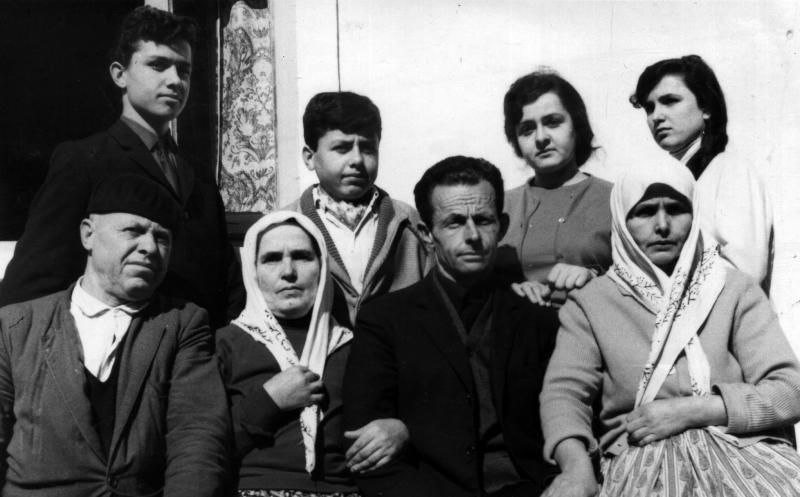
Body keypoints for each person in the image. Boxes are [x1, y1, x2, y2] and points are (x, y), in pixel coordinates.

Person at [539, 161, 800, 497]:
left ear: (695, 215)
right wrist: (576, 469)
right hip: (639, 465)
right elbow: (564, 395)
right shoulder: (591, 303)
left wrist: (693, 410)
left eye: (675, 210)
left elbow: (790, 391)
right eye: (645, 212)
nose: (662, 225)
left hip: (743, 456)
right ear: (622, 220)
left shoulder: (734, 290)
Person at [0, 5, 241, 328]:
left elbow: (226, 286)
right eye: (158, 65)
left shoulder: (199, 174)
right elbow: (30, 287)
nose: (175, 81)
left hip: (199, 351)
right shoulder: (83, 160)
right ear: (119, 74)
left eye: (184, 70)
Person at [0, 174, 229, 496]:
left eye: (162, 238)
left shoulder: (182, 324)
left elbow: (196, 437)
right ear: (88, 235)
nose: (150, 247)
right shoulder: (15, 325)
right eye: (132, 231)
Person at [344, 156, 560, 497]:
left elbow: (566, 422)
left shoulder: (538, 317)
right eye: (455, 222)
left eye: (484, 220)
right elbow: (366, 451)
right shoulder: (384, 320)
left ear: (502, 226)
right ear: (426, 234)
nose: (472, 236)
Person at [216, 210, 408, 497]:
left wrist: (400, 431)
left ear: (322, 265)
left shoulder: (353, 346)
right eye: (271, 259)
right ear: (252, 270)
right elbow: (203, 444)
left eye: (302, 257)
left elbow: (412, 415)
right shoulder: (226, 343)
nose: (288, 272)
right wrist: (269, 401)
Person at [285, 91, 431, 326]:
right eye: (341, 148)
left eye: (367, 148)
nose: (357, 160)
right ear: (310, 157)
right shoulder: (284, 224)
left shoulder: (408, 223)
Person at [630, 54, 773, 292]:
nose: (656, 116)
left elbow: (745, 274)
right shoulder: (665, 182)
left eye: (670, 101)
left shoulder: (731, 170)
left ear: (706, 107)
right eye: (649, 107)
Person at [499, 70, 613, 307]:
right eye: (527, 129)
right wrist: (508, 290)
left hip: (591, 324)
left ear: (576, 125)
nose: (541, 138)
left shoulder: (615, 199)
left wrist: (596, 278)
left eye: (553, 122)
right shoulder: (501, 206)